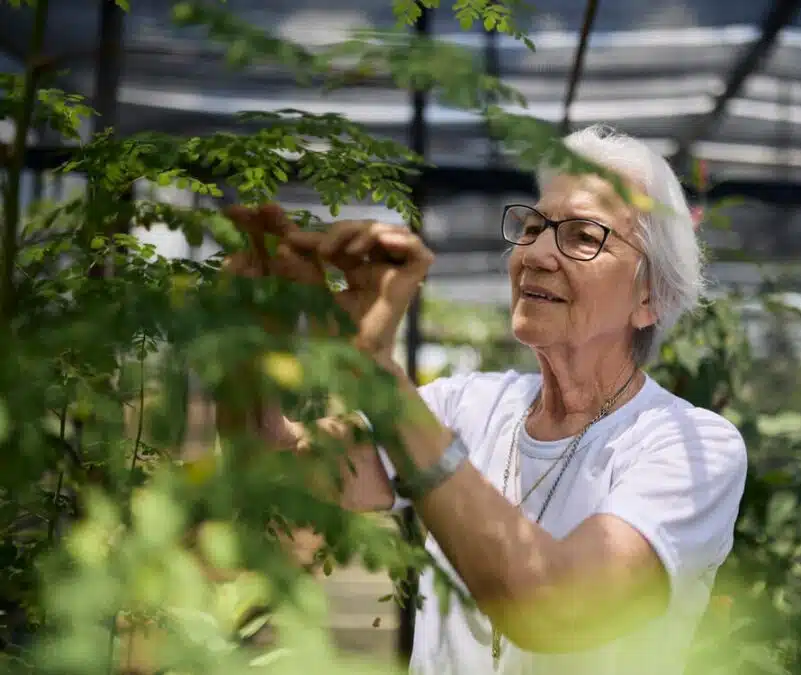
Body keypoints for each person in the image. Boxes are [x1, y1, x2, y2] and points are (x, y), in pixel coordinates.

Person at [223, 124, 748, 675]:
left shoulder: (691, 447)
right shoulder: (467, 406)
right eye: (533, 226)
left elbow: (556, 608)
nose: (538, 252)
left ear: (650, 297)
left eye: (583, 237)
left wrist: (377, 377)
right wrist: (244, 342)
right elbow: (274, 479)